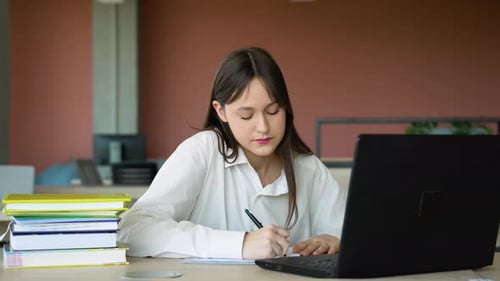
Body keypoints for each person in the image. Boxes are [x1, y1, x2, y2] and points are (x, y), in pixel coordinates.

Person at [117, 47, 346, 259]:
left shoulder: (308, 167)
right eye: (246, 115)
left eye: (273, 111)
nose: (263, 127)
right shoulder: (203, 151)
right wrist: (240, 244)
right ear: (221, 111)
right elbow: (133, 229)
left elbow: (352, 233)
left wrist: (334, 240)